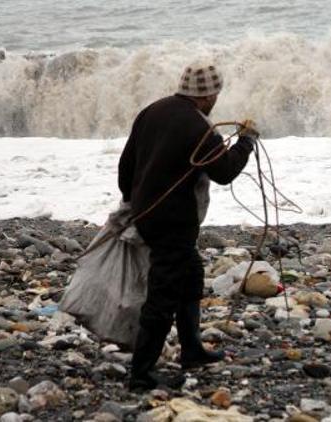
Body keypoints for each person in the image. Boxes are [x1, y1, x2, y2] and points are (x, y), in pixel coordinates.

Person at [118, 63, 257, 391]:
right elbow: (224, 172)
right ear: (208, 94)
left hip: (147, 213)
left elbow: (126, 165)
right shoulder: (199, 128)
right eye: (216, 94)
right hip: (173, 221)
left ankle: (192, 350)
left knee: (191, 273)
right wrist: (246, 142)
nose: (216, 100)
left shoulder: (151, 111)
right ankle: (141, 373)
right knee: (164, 294)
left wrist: (131, 203)